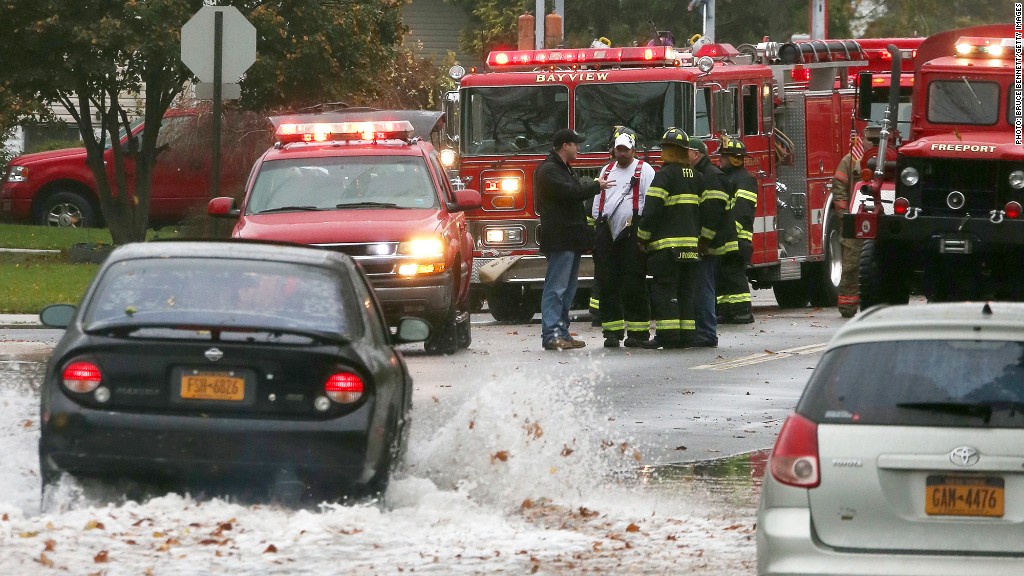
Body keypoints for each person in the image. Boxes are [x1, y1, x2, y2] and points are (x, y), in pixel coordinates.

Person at [536, 128, 614, 351]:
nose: (578, 148)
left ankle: (562, 331)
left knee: (568, 289)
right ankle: (551, 334)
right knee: (556, 288)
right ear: (565, 146)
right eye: (575, 144)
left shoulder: (562, 168)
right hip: (560, 239)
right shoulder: (550, 170)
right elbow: (572, 192)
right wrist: (596, 186)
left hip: (570, 239)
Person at [636, 128, 704, 349]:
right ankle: (687, 335)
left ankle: (668, 336)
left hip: (667, 250)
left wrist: (642, 237)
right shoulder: (697, 177)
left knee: (665, 291)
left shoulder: (664, 176)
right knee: (685, 291)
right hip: (691, 249)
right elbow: (705, 212)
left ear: (667, 150)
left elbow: (652, 210)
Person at [592, 130, 656, 347]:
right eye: (618, 149)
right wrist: (597, 222)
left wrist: (646, 233)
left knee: (633, 282)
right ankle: (612, 332)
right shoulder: (607, 169)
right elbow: (597, 201)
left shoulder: (644, 169)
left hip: (632, 232)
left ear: (633, 150)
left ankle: (638, 333)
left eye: (625, 150)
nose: (621, 154)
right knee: (607, 282)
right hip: (607, 231)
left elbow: (651, 202)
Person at [688, 136, 732, 348]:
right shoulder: (703, 174)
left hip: (709, 244)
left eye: (685, 152)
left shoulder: (711, 176)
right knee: (700, 285)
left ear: (696, 154)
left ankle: (706, 332)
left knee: (702, 286)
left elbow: (712, 212)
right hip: (707, 242)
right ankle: (702, 330)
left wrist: (703, 240)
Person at [830, 127, 876, 318]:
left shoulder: (889, 157)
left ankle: (876, 307)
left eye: (876, 141)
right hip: (855, 223)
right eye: (869, 140)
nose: (872, 144)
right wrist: (845, 215)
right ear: (862, 139)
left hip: (878, 221)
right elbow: (839, 186)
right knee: (850, 265)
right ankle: (847, 307)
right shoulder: (850, 160)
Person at [716, 138, 757, 324]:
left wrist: (730, 234)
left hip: (737, 237)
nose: (720, 160)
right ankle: (726, 311)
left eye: (723, 156)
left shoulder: (745, 179)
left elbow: (742, 211)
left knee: (734, 275)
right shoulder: (727, 178)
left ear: (733, 159)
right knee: (724, 275)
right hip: (727, 237)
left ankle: (742, 311)